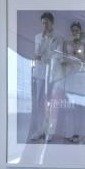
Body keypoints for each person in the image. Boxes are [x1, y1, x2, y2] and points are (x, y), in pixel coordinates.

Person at [28, 12, 61, 142]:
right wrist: (43, 37)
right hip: (40, 73)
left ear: (52, 23)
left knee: (51, 102)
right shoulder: (38, 37)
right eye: (43, 23)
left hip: (51, 73)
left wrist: (45, 57)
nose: (45, 25)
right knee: (38, 102)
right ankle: (38, 130)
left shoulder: (58, 37)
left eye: (47, 22)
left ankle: (49, 131)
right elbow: (37, 54)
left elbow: (57, 56)